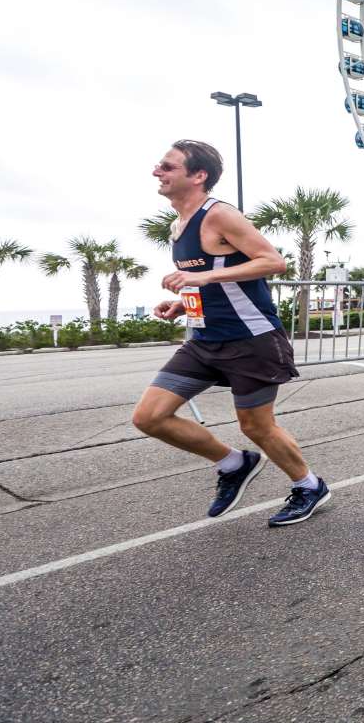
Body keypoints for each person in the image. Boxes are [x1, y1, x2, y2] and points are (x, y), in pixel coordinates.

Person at [131, 140, 330, 527]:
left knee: (256, 425)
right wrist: (183, 302)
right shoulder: (177, 226)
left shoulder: (220, 215)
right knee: (148, 417)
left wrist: (203, 275)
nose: (158, 171)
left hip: (250, 338)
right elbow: (208, 279)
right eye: (160, 166)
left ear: (198, 175)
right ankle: (233, 462)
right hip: (204, 340)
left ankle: (309, 486)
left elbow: (273, 261)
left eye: (168, 167)